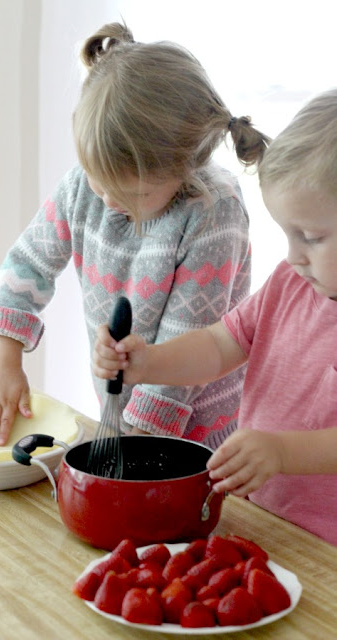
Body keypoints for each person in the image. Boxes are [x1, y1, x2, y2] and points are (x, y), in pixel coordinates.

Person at [0, 22, 269, 450]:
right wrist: (6, 362)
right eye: (97, 181)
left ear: (186, 164)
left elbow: (184, 345)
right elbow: (27, 264)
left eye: (134, 193)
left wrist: (134, 443)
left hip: (201, 436)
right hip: (125, 419)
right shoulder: (86, 186)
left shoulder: (213, 212)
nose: (107, 201)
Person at [93, 88, 337, 545]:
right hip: (264, 520)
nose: (293, 256)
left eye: (310, 236)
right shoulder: (290, 282)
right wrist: (148, 364)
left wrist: (282, 451)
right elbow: (220, 345)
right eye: (287, 235)